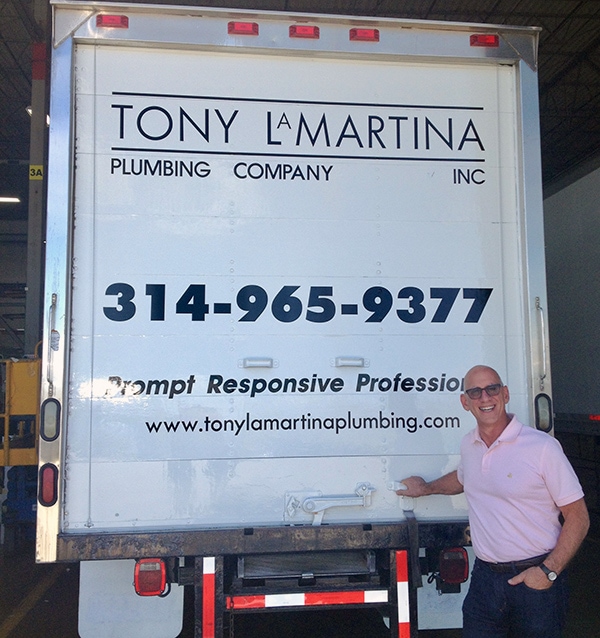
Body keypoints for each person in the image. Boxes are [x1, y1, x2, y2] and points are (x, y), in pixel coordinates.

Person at [398, 364, 589, 638]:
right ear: (465, 402)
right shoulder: (469, 444)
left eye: (492, 389)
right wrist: (426, 488)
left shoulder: (542, 448)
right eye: (475, 392)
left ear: (505, 394)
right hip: (485, 581)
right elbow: (464, 478)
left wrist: (548, 571)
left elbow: (578, 516)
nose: (485, 398)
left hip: (535, 582)